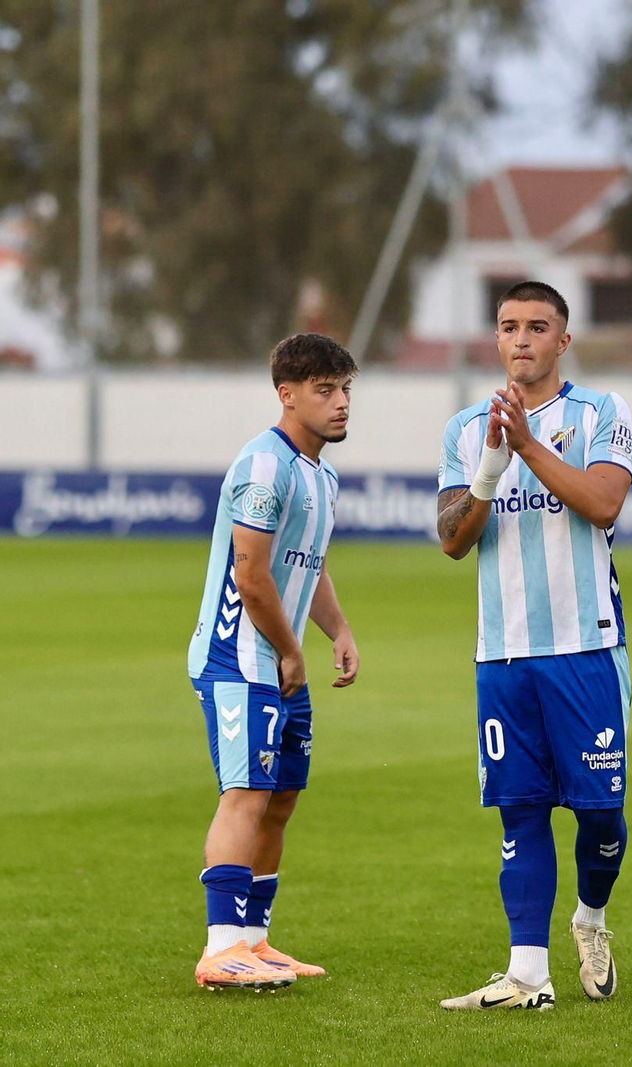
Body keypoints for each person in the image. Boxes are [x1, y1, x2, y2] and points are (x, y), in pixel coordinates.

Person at [435, 281, 632, 1012]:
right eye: (509, 326)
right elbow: (455, 539)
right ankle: (527, 974)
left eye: (537, 327)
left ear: (563, 339)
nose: (521, 339)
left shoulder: (600, 414)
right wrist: (493, 460)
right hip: (504, 652)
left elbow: (603, 502)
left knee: (601, 817)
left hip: (586, 647)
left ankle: (590, 915)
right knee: (520, 809)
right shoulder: (464, 427)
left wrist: (525, 445)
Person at [188, 333, 360, 989]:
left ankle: (255, 940)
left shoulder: (322, 472)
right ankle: (220, 946)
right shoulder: (265, 466)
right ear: (287, 395)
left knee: (281, 796)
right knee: (247, 792)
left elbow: (306, 565)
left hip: (280, 658)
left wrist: (337, 628)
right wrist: (291, 650)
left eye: (346, 389)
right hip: (240, 656)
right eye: (326, 390)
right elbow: (252, 574)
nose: (342, 403)